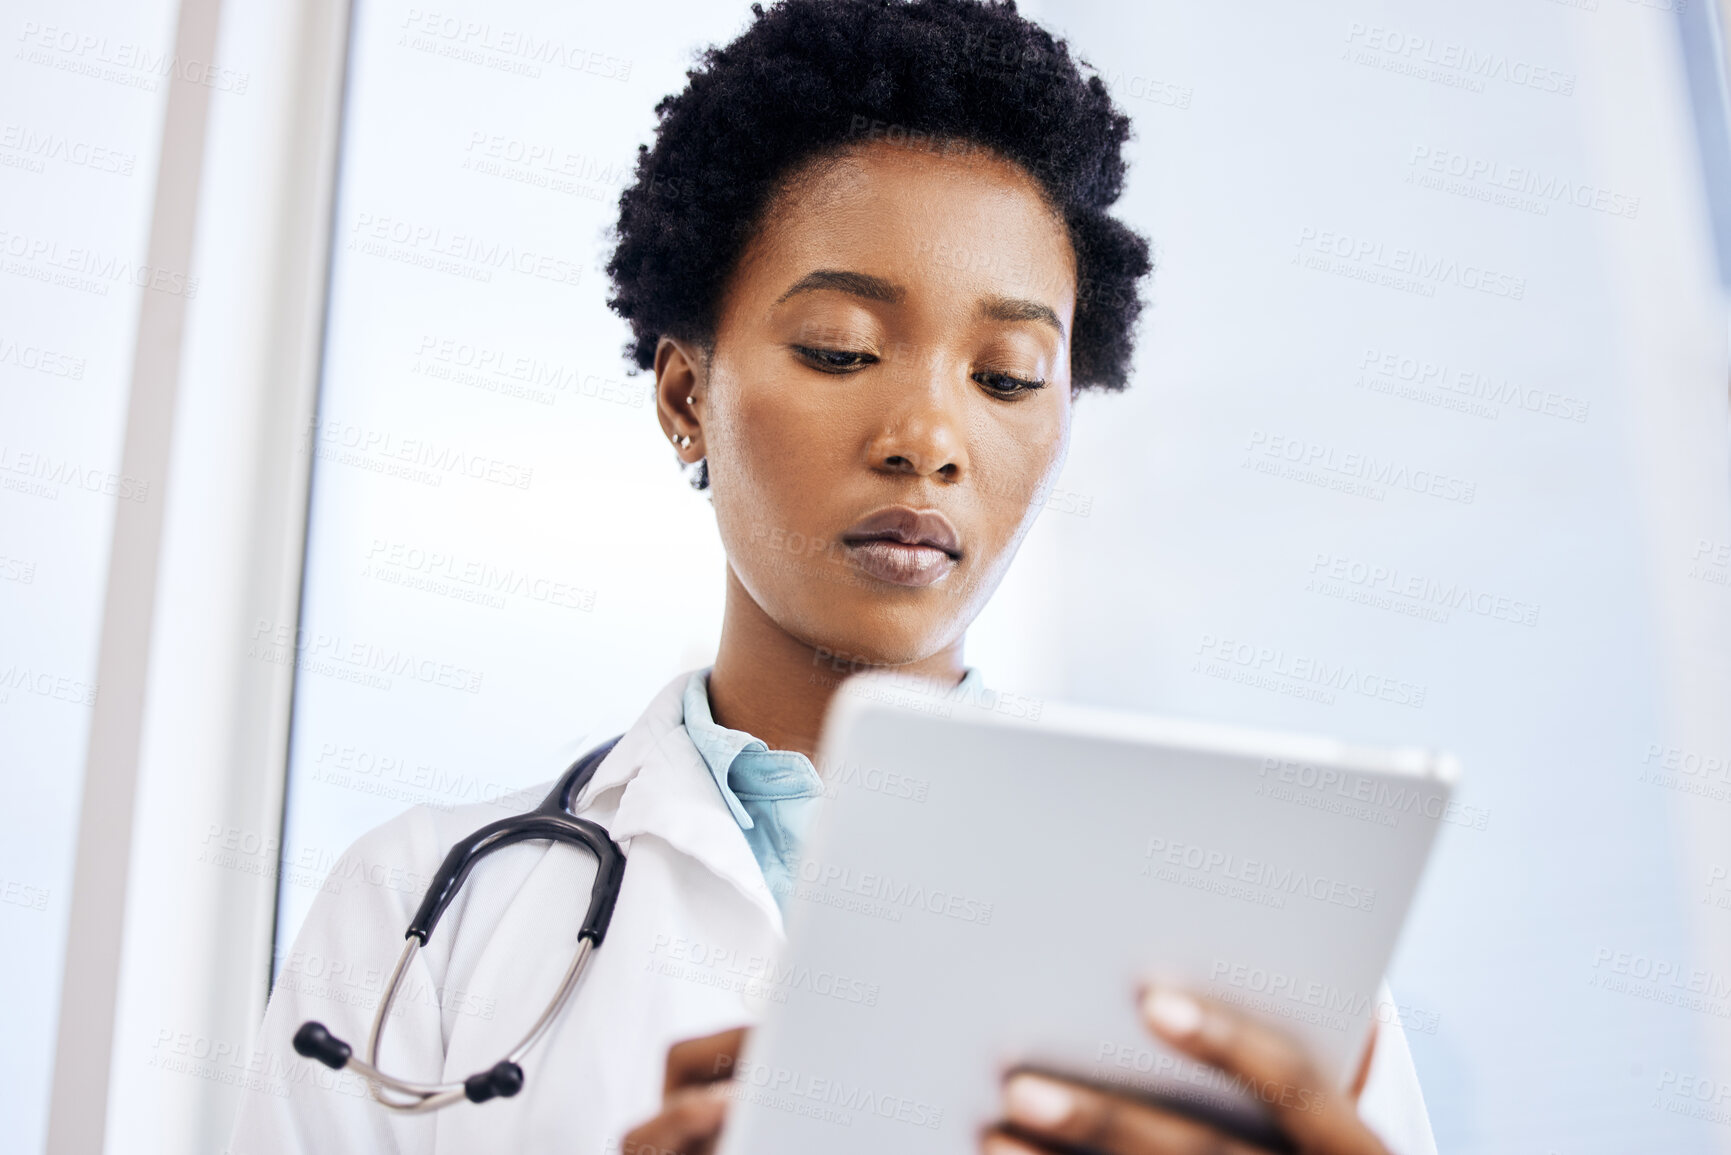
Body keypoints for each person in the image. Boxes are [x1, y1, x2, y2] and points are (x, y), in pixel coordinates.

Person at [228, 1, 1437, 1152]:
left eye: (1008, 375)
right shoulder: (418, 915)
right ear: (687, 396)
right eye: (841, 350)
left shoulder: (1249, 937)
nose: (928, 435)